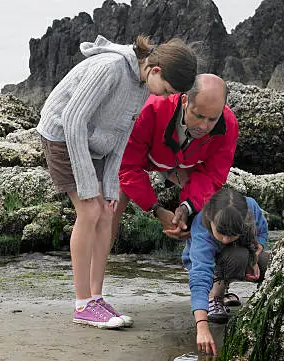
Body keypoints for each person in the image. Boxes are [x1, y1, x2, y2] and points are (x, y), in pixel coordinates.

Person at [37, 34, 197, 329]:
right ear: (156, 71)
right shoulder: (110, 68)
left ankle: (96, 298)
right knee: (90, 211)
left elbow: (123, 134)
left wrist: (110, 185)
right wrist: (88, 185)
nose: (163, 98)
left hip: (94, 141)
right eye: (166, 90)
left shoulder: (141, 84)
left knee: (107, 212)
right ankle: (82, 304)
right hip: (62, 135)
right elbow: (73, 119)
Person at [114, 74, 238, 244]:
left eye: (212, 119)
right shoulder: (150, 109)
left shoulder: (228, 124)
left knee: (214, 207)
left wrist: (187, 207)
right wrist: (156, 209)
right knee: (114, 201)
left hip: (183, 163)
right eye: (198, 115)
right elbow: (127, 166)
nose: (204, 126)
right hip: (144, 156)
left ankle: (200, 263)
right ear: (185, 100)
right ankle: (97, 265)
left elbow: (213, 175)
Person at [182, 187, 269, 355]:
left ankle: (224, 289)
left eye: (232, 235)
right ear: (210, 219)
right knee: (235, 256)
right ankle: (215, 297)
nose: (226, 239)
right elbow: (200, 277)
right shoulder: (202, 229)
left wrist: (256, 255)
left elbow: (263, 230)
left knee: (271, 263)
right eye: (221, 233)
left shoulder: (250, 206)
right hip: (207, 263)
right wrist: (202, 326)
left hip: (239, 253)